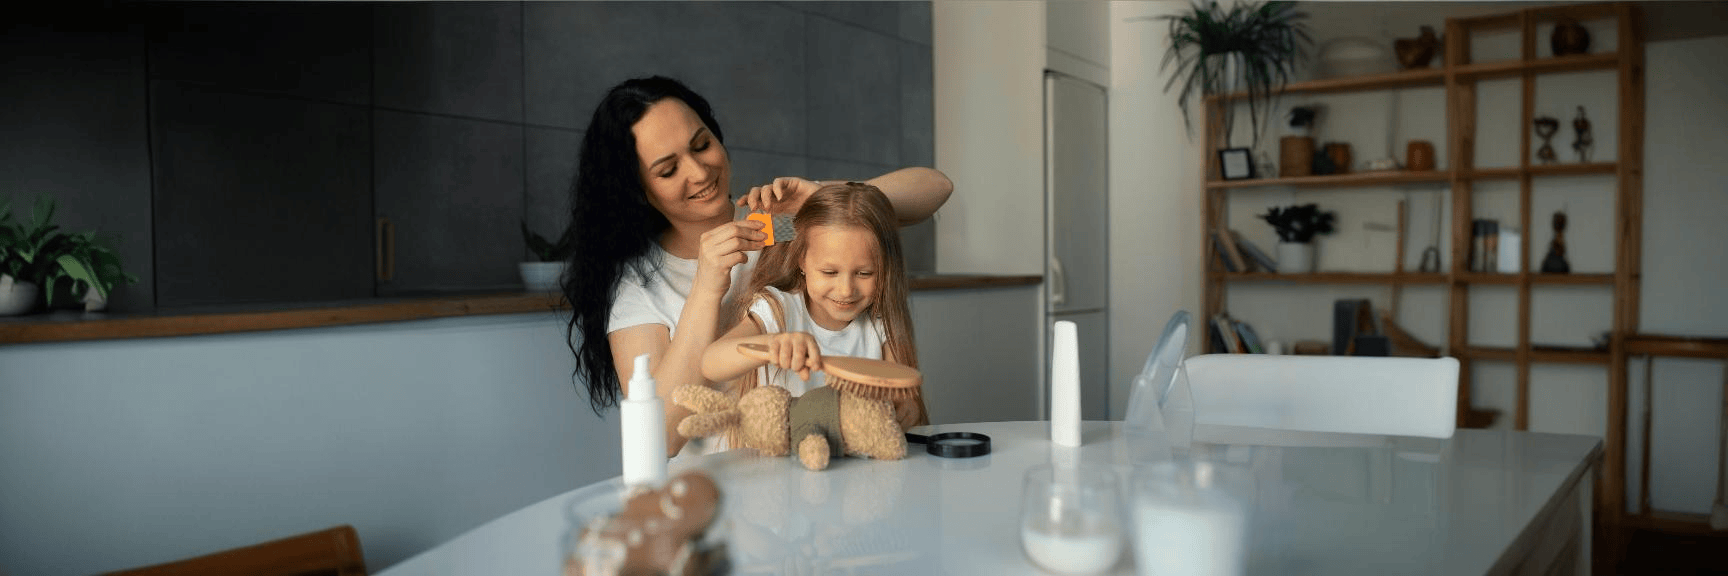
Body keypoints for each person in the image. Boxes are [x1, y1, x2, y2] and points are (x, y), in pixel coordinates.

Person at [560, 76, 951, 457]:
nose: (698, 173)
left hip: (829, 469)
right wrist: (707, 285)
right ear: (638, 191)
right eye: (667, 170)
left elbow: (935, 187)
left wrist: (825, 199)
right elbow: (657, 440)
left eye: (702, 145)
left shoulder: (777, 223)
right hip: (721, 492)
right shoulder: (640, 286)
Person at [700, 182, 928, 437]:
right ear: (802, 261)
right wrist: (772, 343)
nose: (845, 290)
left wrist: (906, 407)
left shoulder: (878, 323)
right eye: (829, 272)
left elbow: (899, 391)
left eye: (864, 273)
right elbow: (711, 363)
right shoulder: (779, 309)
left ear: (886, 269)